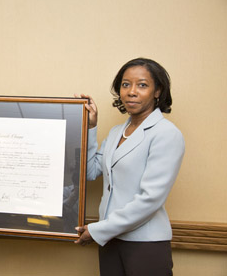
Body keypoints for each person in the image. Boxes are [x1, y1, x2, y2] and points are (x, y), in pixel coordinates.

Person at [74, 58, 185, 275]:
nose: (131, 92)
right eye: (126, 84)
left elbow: (150, 199)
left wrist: (99, 229)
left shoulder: (166, 134)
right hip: (111, 240)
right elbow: (89, 172)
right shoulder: (117, 132)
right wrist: (91, 127)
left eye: (142, 85)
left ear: (157, 91)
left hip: (145, 243)